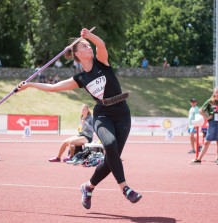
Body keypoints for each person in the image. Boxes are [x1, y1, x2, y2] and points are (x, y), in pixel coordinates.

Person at [16, 28, 142, 209]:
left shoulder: (102, 62)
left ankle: (87, 187)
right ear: (77, 53)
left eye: (89, 45)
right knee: (109, 144)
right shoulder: (80, 78)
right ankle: (126, 189)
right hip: (102, 114)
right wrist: (30, 85)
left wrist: (88, 35)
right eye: (85, 46)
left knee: (111, 160)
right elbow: (54, 87)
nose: (89, 47)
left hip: (122, 113)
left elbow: (101, 44)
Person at [191, 88, 218, 165]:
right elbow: (201, 110)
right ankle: (199, 159)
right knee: (207, 141)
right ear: (214, 93)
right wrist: (206, 117)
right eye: (216, 92)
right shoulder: (210, 101)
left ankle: (217, 159)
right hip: (212, 123)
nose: (217, 94)